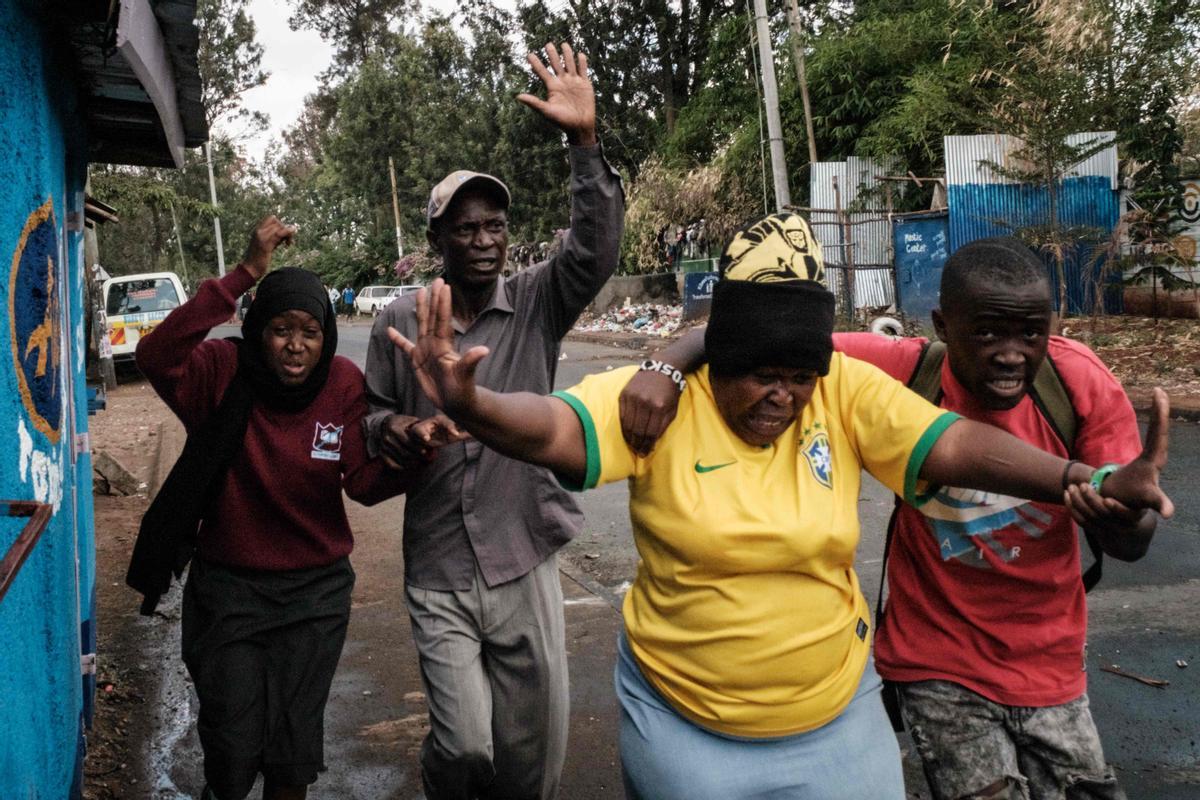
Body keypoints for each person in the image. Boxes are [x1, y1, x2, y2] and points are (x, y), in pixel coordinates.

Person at [385, 214, 1172, 800]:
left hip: (837, 716)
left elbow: (954, 445)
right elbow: (559, 425)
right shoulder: (660, 402)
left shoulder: (842, 387)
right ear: (716, 359)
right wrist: (479, 406)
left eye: (797, 376)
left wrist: (1087, 480)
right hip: (685, 723)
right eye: (756, 374)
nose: (780, 396)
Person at [619, 235, 1163, 800]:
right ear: (942, 326)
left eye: (1030, 333)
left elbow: (1133, 542)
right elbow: (762, 331)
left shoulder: (1077, 384)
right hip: (934, 657)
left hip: (1049, 659)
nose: (1011, 353)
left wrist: (1116, 509)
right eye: (985, 333)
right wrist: (669, 363)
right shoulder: (899, 371)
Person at [362, 42, 623, 800]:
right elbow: (373, 417)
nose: (483, 242)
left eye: (495, 227)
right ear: (437, 241)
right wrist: (403, 433)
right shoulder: (400, 320)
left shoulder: (538, 299)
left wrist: (584, 142)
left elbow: (597, 250)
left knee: (530, 760)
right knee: (466, 749)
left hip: (525, 553)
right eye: (466, 229)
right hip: (440, 563)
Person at [127, 216, 459, 800]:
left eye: (309, 331)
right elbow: (155, 355)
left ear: (326, 334)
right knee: (230, 756)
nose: (296, 345)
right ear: (259, 330)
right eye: (281, 329)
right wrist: (244, 272)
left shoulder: (342, 382)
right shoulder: (220, 373)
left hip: (314, 598)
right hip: (229, 593)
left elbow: (360, 482)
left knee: (290, 761)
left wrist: (416, 453)